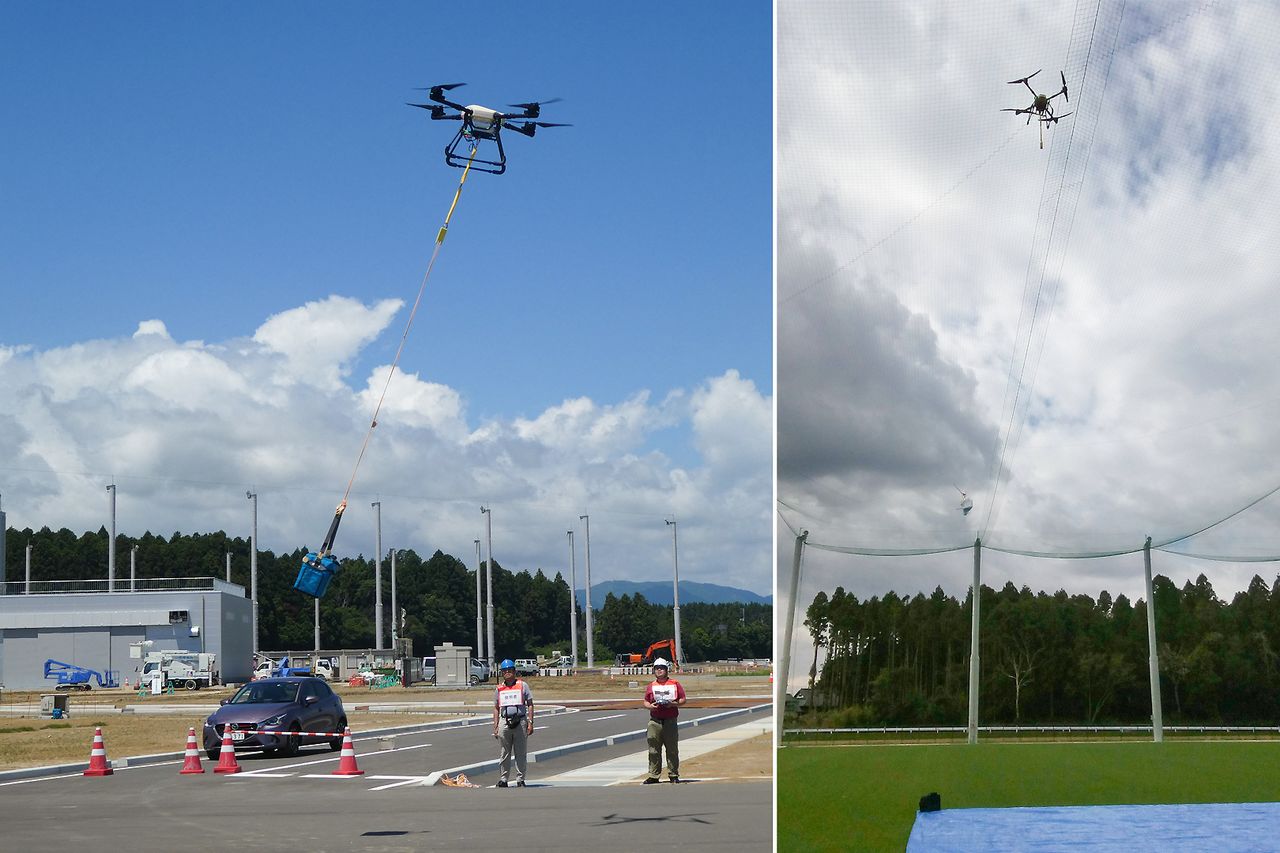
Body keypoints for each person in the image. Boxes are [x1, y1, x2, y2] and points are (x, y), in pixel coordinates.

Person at [642, 657, 686, 783]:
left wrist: (673, 704)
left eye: (661, 668)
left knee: (671, 749)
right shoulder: (651, 686)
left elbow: (683, 699)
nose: (659, 670)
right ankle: (654, 775)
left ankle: (673, 774)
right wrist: (650, 706)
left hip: (670, 720)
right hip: (655, 720)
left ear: (667, 670)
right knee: (653, 749)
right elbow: (646, 700)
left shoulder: (675, 684)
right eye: (657, 668)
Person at [492, 658, 534, 787]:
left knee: (520, 752)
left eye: (510, 670)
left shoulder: (522, 685)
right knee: (504, 752)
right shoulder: (499, 688)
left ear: (515, 671)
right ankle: (503, 779)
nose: (508, 673)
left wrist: (530, 721)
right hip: (505, 721)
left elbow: (530, 704)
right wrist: (495, 725)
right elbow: (496, 707)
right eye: (505, 671)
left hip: (520, 720)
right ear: (502, 673)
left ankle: (520, 779)